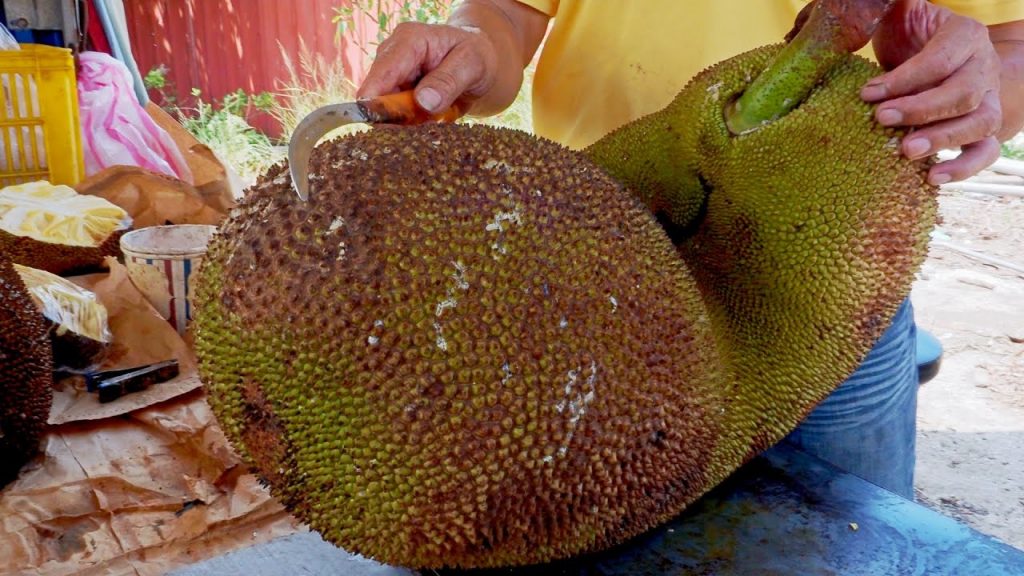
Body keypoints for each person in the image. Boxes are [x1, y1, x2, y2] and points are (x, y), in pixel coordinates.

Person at [357, 0, 1024, 499]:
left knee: (846, 546)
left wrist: (972, 80)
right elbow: (505, 12)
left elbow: (1011, 46)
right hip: (587, 280)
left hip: (829, 311)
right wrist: (473, 45)